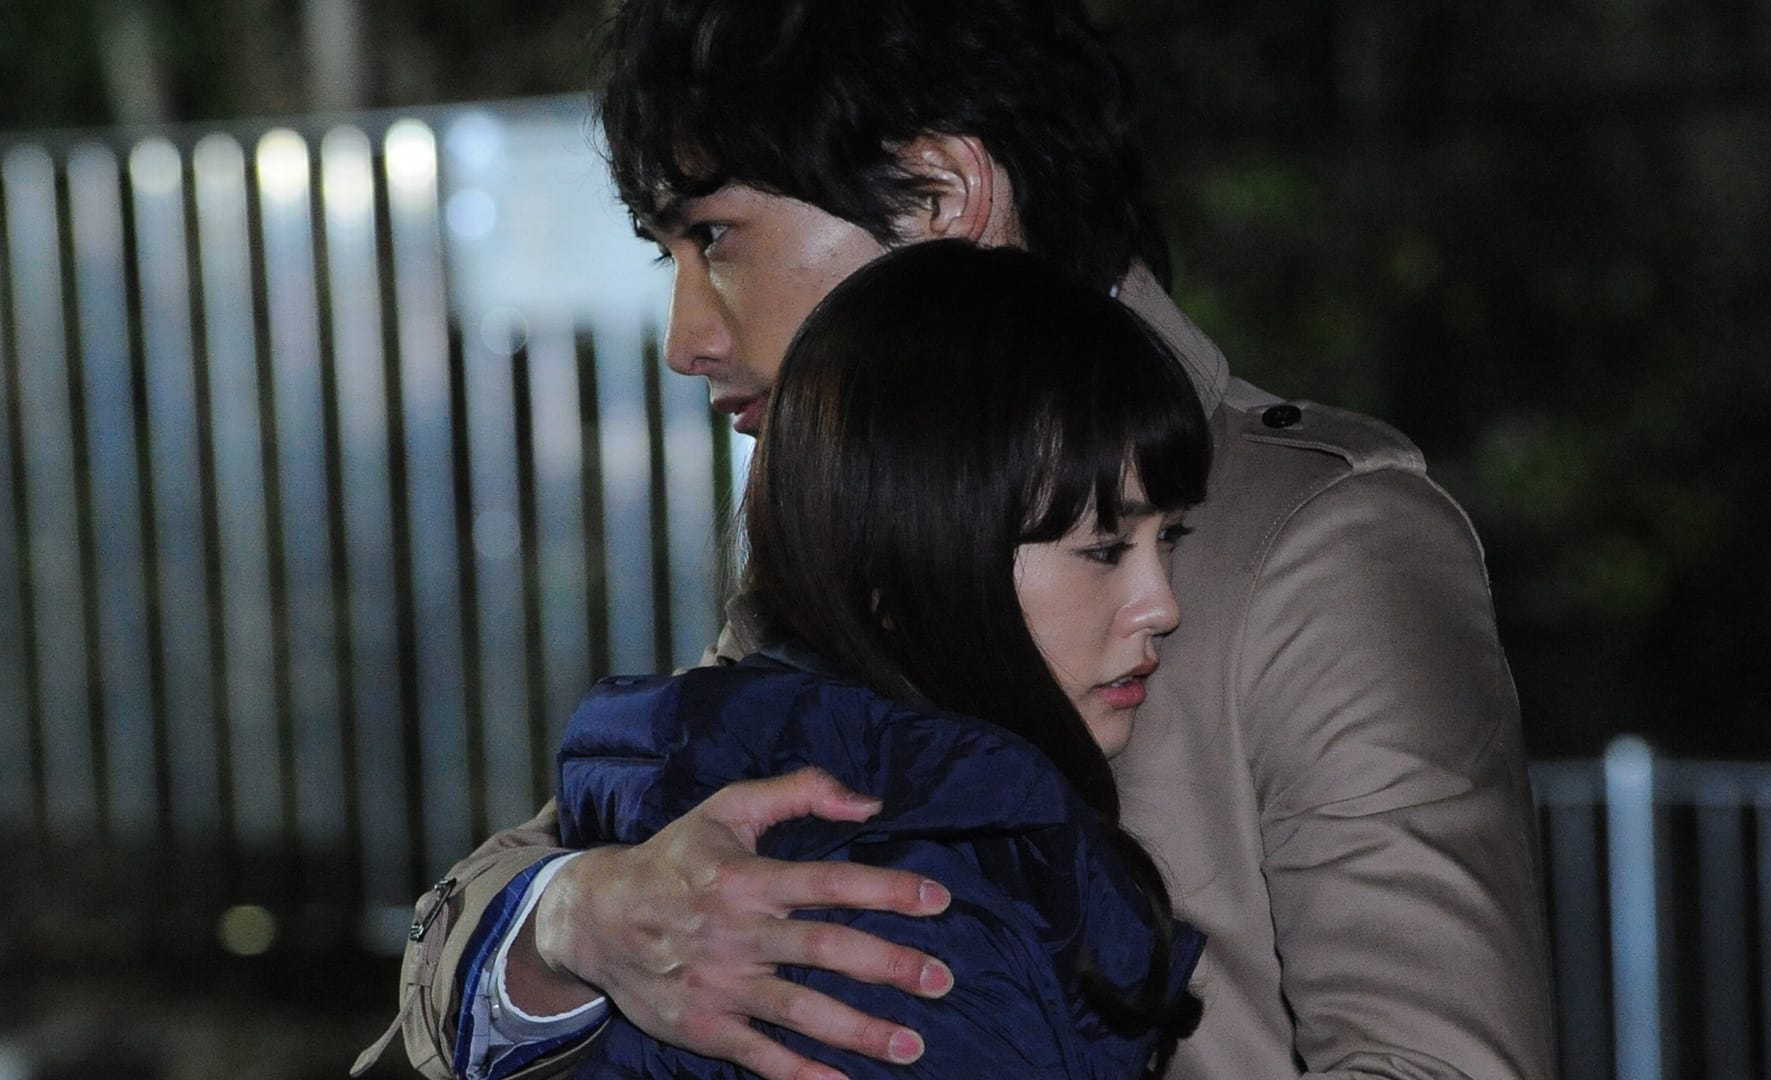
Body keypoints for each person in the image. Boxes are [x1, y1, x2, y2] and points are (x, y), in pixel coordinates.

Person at [354, 0, 1557, 1077]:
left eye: (715, 236)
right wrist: (576, 919)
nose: (686, 339)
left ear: (942, 201)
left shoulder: (1317, 541)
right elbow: (479, 947)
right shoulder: (852, 523)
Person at [546, 239, 1206, 1077]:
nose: (1163, 606)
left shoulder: (873, 801)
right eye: (1105, 549)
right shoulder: (891, 913)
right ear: (910, 558)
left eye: (1169, 537)